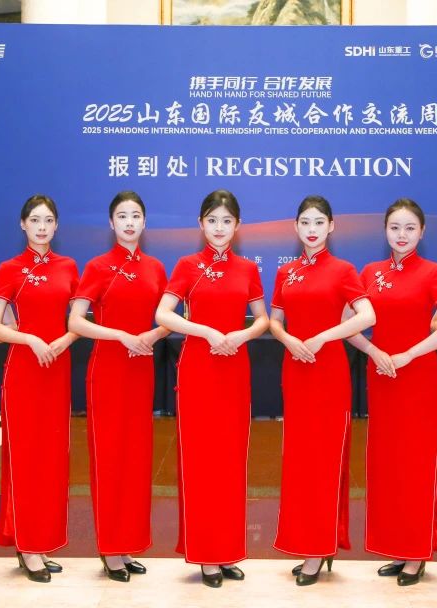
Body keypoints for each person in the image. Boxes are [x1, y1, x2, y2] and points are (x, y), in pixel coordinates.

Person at [154, 189, 269, 588]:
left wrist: (242, 335)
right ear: (200, 224)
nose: (219, 228)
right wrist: (204, 331)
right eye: (212, 220)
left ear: (238, 226)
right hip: (199, 369)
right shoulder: (187, 265)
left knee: (232, 461)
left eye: (226, 221)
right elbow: (163, 313)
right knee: (200, 461)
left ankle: (227, 551)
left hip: (234, 366)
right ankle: (205, 555)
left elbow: (262, 319)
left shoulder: (248, 268)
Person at [346, 198, 437, 587]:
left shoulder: (433, 272)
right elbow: (347, 322)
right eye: (395, 227)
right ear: (385, 230)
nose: (402, 235)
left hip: (417, 378)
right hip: (382, 375)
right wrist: (373, 350)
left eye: (410, 228)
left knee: (417, 464)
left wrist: (411, 353)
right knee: (388, 465)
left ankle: (416, 553)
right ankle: (397, 548)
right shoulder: (370, 272)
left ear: (422, 232)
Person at [268, 195, 376, 586]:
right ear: (296, 227)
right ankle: (307, 544)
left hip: (328, 372)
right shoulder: (287, 271)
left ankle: (318, 550)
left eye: (319, 222)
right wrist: (288, 339)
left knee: (325, 460)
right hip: (296, 370)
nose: (311, 229)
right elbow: (275, 320)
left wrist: (323, 337)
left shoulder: (343, 270)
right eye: (305, 222)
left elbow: (367, 315)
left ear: (331, 226)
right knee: (299, 461)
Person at [68, 191, 168, 582]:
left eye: (136, 215)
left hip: (141, 369)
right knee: (108, 458)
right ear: (111, 223)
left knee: (136, 459)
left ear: (145, 222)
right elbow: (76, 321)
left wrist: (152, 335)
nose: (129, 222)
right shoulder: (97, 266)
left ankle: (126, 545)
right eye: (122, 216)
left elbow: (170, 317)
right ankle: (109, 550)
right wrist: (120, 335)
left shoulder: (156, 268)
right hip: (108, 370)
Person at [0, 194, 79, 583]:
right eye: (35, 220)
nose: (42, 227)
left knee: (52, 458)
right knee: (24, 458)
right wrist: (30, 339)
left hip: (57, 368)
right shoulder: (10, 269)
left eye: (48, 221)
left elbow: (78, 320)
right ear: (23, 224)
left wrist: (64, 340)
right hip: (24, 370)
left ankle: (40, 541)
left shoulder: (68, 266)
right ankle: (27, 546)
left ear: (56, 226)